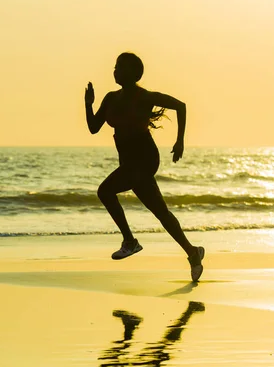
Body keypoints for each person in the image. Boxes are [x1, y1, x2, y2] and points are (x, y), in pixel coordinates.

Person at [84, 52, 205, 282]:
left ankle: (130, 241)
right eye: (115, 66)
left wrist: (180, 141)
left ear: (133, 73)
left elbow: (181, 106)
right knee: (160, 212)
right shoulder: (110, 98)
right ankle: (193, 253)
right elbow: (93, 127)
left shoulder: (144, 97)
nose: (114, 70)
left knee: (105, 191)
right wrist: (88, 105)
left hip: (145, 157)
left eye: (119, 67)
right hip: (128, 162)